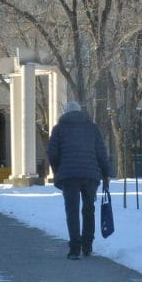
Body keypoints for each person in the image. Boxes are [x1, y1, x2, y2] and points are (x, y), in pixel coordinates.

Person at [46, 99, 112, 260]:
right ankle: (88, 246)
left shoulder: (59, 129)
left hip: (69, 176)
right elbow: (101, 153)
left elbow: (52, 153)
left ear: (66, 113)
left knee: (72, 211)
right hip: (90, 175)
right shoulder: (93, 128)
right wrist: (105, 173)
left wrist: (58, 170)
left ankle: (74, 249)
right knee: (89, 210)